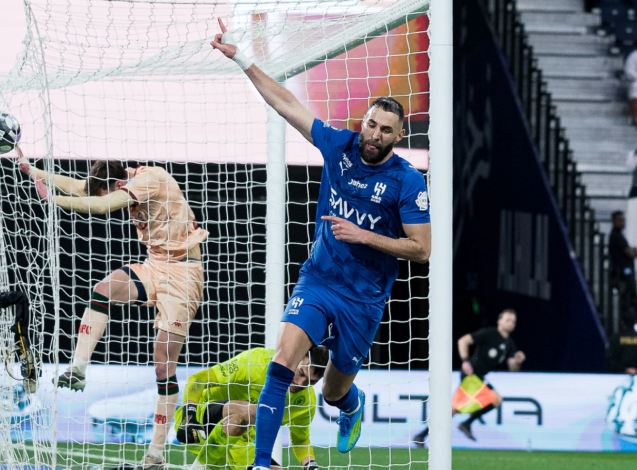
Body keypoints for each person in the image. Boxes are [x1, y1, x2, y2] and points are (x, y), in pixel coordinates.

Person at [210, 18, 432, 467]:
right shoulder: (339, 146)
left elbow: (422, 249)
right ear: (363, 122)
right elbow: (286, 103)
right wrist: (243, 59)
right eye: (371, 124)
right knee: (282, 364)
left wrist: (364, 235)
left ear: (399, 136)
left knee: (331, 391)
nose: (374, 135)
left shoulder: (408, 181)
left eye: (385, 130)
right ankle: (262, 462)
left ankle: (351, 404)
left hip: (363, 298)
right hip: (319, 280)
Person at [17, 147, 208, 470]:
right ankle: (78, 368)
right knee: (103, 290)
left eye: (108, 191)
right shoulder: (119, 181)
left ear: (119, 185)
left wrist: (52, 200)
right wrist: (33, 172)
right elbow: (82, 188)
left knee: (163, 365)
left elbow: (101, 205)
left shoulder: (149, 180)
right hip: (155, 265)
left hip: (184, 275)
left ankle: (155, 454)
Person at [168, 347, 326, 470]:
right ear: (295, 357)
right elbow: (199, 378)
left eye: (311, 382)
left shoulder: (305, 402)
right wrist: (189, 414)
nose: (301, 384)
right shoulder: (258, 361)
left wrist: (311, 465)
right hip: (199, 423)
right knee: (253, 411)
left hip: (238, 444)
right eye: (301, 373)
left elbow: (300, 439)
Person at [413, 309, 526, 446]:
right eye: (507, 320)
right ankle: (465, 424)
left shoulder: (510, 344)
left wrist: (517, 361)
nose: (511, 323)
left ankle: (422, 435)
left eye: (513, 321)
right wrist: (465, 361)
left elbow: (513, 368)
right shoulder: (489, 333)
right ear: (499, 322)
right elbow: (463, 341)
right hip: (471, 373)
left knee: (456, 409)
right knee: (495, 400)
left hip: (479, 376)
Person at [609, 211, 637, 325]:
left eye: (623, 219)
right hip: (622, 276)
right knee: (627, 300)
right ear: (614, 221)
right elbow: (630, 252)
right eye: (620, 220)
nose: (623, 222)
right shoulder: (616, 236)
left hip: (624, 276)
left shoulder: (619, 235)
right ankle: (625, 324)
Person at [625, 49, 637, 126]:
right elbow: (629, 70)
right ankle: (635, 117)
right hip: (636, 80)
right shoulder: (634, 55)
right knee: (635, 87)